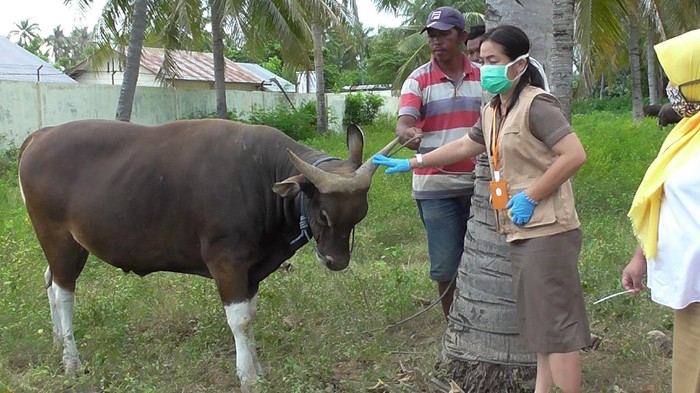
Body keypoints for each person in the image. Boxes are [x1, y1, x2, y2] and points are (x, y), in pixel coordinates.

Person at [374, 25, 591, 393]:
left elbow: (574, 155)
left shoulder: (538, 105)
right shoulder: (494, 108)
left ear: (518, 65)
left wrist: (533, 195)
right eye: (480, 59)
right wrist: (414, 163)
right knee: (540, 328)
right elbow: (464, 146)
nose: (483, 67)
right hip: (521, 231)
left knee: (558, 331)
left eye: (492, 60)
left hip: (549, 231)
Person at [623, 28, 700, 393]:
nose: (671, 88)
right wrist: (641, 257)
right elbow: (662, 197)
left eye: (677, 80)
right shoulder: (686, 132)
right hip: (691, 286)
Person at [394, 6, 482, 319]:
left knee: (485, 258)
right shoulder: (417, 80)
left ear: (463, 37)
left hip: (481, 185)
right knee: (446, 263)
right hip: (436, 186)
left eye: (444, 34)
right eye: (432, 35)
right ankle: (454, 327)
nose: (436, 41)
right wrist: (408, 132)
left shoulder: (485, 77)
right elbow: (404, 122)